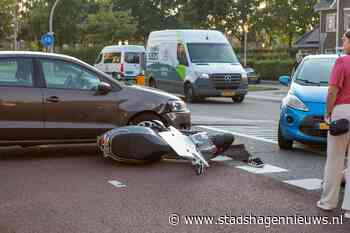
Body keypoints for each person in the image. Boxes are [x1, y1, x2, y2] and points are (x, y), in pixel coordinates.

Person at [317, 30, 350, 219]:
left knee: (335, 159)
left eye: (345, 39)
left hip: (343, 111)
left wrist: (328, 112)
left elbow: (332, 91)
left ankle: (328, 202)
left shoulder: (342, 61)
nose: (343, 42)